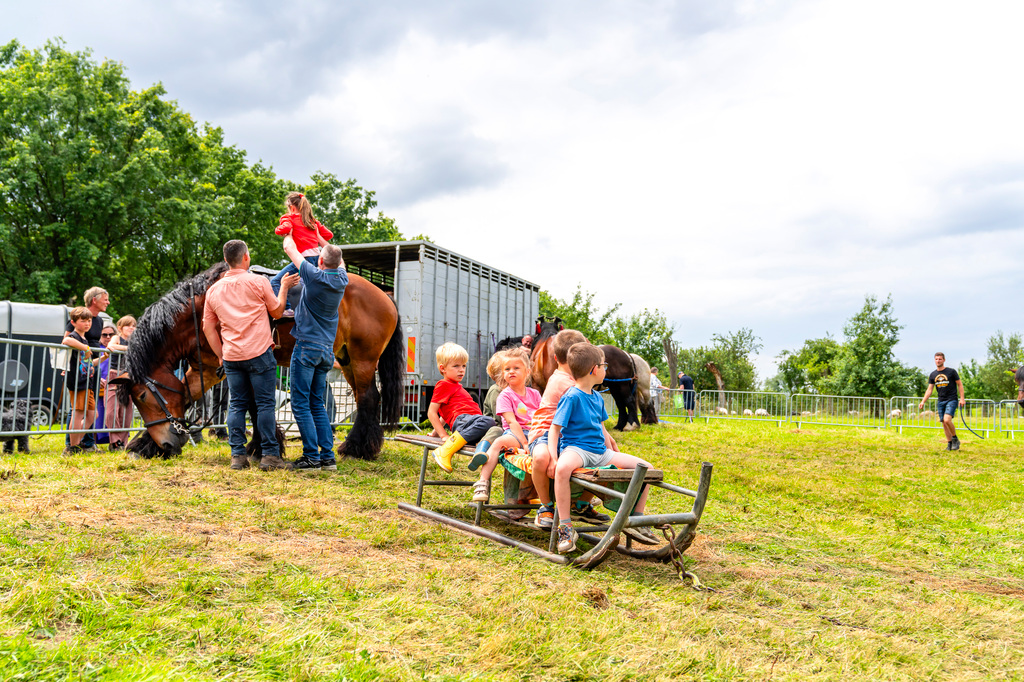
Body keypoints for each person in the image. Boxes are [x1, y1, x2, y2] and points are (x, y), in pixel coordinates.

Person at [549, 343, 655, 554]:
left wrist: (612, 447)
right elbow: (555, 429)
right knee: (562, 469)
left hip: (599, 452)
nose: (606, 369)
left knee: (647, 468)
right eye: (604, 365)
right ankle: (565, 527)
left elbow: (601, 427)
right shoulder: (571, 397)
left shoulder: (597, 397)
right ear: (594, 370)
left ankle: (637, 519)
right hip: (576, 450)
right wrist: (554, 458)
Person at [203, 239, 299, 471]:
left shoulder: (213, 290)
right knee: (265, 404)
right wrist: (284, 287)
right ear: (246, 257)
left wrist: (220, 354)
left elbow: (208, 327)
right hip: (259, 353)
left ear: (226, 261)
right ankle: (270, 456)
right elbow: (276, 311)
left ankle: (238, 456)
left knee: (236, 404)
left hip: (232, 356)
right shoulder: (258, 281)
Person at [524, 328, 605, 529]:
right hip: (544, 432)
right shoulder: (566, 384)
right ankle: (545, 506)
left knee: (602, 459)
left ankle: (581, 504)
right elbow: (554, 428)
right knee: (542, 458)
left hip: (569, 436)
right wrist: (553, 456)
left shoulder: (579, 384)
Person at [281, 235, 348, 472]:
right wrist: (320, 236)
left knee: (300, 403)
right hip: (326, 351)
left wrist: (289, 227)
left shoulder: (313, 275)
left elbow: (289, 247)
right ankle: (327, 458)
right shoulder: (341, 279)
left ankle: (310, 456)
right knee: (317, 403)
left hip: (306, 348)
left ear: (320, 260)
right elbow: (339, 261)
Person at [469, 347, 541, 503]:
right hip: (515, 433)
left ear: (527, 371)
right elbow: (512, 422)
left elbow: (541, 417)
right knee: (499, 442)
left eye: (516, 368)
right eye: (507, 369)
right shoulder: (505, 395)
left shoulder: (535, 394)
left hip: (535, 433)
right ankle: (482, 482)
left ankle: (576, 495)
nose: (511, 371)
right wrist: (524, 442)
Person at [428, 342, 496, 472]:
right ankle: (444, 451)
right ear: (443, 368)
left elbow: (444, 413)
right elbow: (432, 412)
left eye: (464, 366)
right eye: (456, 366)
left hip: (471, 423)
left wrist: (434, 433)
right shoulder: (444, 384)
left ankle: (478, 454)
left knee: (496, 429)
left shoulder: (456, 386)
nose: (461, 370)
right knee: (488, 421)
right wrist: (443, 436)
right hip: (464, 421)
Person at [270, 192, 334, 313]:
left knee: (275, 281)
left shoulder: (288, 218)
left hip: (304, 259)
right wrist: (316, 232)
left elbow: (284, 229)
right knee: (309, 285)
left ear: (291, 207)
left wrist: (278, 228)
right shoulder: (312, 221)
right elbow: (329, 235)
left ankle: (286, 309)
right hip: (317, 259)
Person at [63, 286, 109, 451]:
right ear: (94, 300)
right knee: (77, 410)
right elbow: (66, 341)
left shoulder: (97, 323)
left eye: (89, 321)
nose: (108, 302)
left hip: (90, 371)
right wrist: (85, 349)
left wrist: (100, 360)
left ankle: (81, 441)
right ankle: (72, 445)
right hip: (78, 375)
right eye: (105, 299)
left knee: (92, 412)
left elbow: (89, 359)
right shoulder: (77, 322)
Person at [919, 352, 966, 451]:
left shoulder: (951, 372)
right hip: (941, 401)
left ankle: (955, 439)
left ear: (944, 360)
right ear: (934, 360)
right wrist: (923, 401)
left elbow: (960, 384)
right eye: (936, 359)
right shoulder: (933, 374)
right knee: (944, 423)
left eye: (940, 359)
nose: (938, 361)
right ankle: (949, 444)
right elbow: (929, 390)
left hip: (951, 399)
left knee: (947, 420)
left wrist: (962, 398)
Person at [469, 352, 507, 470]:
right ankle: (479, 452)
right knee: (496, 430)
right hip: (494, 426)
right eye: (508, 369)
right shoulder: (496, 390)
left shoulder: (511, 391)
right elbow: (499, 416)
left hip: (508, 429)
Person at [104, 315, 137, 450]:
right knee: (112, 411)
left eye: (133, 325)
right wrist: (130, 350)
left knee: (126, 412)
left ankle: (122, 442)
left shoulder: (135, 341)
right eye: (128, 325)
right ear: (120, 328)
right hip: (114, 375)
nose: (131, 328)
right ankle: (115, 440)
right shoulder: (117, 338)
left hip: (128, 377)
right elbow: (111, 346)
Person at [94, 324, 117, 446]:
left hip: (114, 386)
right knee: (98, 414)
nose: (108, 337)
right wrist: (98, 379)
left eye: (111, 334)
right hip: (99, 386)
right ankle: (95, 440)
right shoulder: (97, 348)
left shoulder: (117, 348)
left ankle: (114, 440)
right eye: (104, 334)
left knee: (113, 413)